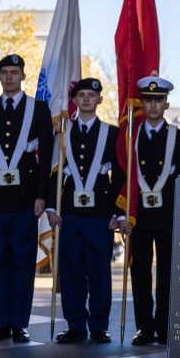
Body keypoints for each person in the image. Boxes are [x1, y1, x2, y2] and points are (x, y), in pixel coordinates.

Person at [46, 77, 125, 344]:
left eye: (92, 95)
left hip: (100, 216)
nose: (86, 99)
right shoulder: (62, 133)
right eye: (81, 95)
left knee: (99, 272)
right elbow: (52, 172)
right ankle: (76, 325)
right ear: (75, 101)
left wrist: (119, 212)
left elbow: (120, 176)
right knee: (71, 271)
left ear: (100, 100)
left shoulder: (111, 133)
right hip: (69, 214)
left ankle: (100, 325)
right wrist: (50, 206)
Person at [0, 54, 54, 343]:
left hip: (26, 200)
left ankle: (18, 323)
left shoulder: (38, 108)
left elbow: (47, 155)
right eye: (4, 73)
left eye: (14, 72)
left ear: (23, 76)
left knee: (23, 263)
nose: (9, 77)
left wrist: (42, 195)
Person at [128, 76, 180, 346]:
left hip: (169, 215)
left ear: (166, 104)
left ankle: (165, 326)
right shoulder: (131, 136)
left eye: (158, 100)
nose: (153, 105)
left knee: (167, 273)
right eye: (148, 100)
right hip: (138, 215)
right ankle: (144, 327)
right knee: (139, 270)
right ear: (142, 103)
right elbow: (123, 176)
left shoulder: (179, 137)